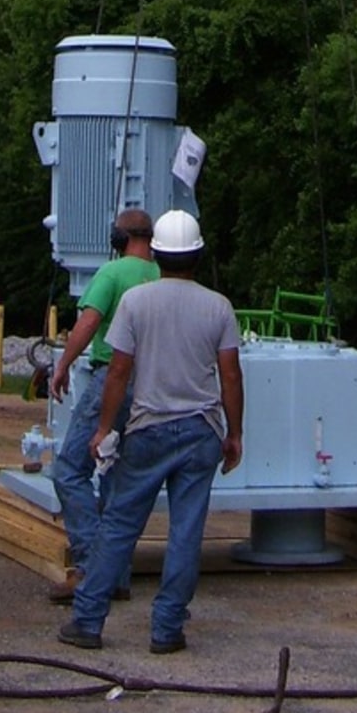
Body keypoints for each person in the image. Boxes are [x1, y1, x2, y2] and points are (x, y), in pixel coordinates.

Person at [58, 209, 242, 656]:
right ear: (197, 254)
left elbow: (118, 371)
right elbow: (231, 376)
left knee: (120, 525)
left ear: (156, 254)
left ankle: (87, 621)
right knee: (185, 532)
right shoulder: (218, 307)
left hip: (147, 428)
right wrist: (234, 435)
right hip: (201, 432)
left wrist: (103, 428)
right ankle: (166, 629)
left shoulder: (135, 303)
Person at [47, 206, 159, 604]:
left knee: (70, 470)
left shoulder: (111, 274)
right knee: (117, 481)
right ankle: (118, 573)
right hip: (150, 390)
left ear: (120, 238)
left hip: (109, 378)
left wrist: (62, 365)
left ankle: (93, 566)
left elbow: (89, 323)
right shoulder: (161, 278)